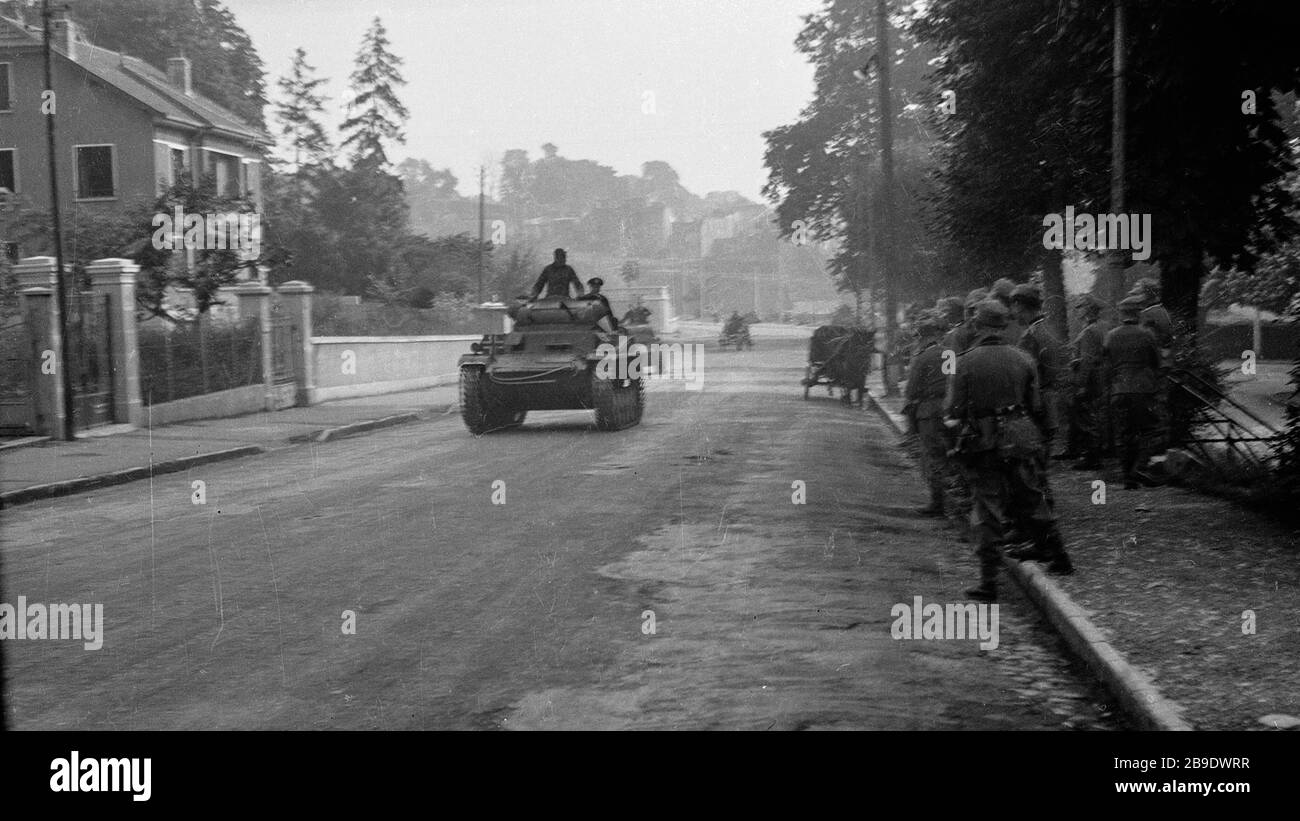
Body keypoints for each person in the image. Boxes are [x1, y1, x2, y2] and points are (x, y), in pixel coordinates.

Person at [945, 300, 1074, 601]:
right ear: (1004, 326)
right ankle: (1060, 556)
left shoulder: (965, 361)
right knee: (1033, 498)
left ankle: (989, 582)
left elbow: (954, 409)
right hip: (1020, 436)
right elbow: (1037, 405)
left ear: (977, 325)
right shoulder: (1024, 358)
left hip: (983, 441)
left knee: (988, 510)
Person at [1104, 295, 1162, 489]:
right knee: (1151, 429)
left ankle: (1128, 478)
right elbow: (1156, 362)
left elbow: (1107, 365)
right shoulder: (1147, 334)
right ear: (1138, 313)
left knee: (1123, 433)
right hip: (1142, 389)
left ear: (1121, 314)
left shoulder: (1111, 335)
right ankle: (1140, 467)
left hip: (1118, 389)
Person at [1010, 283, 1065, 465]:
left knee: (1034, 452)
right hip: (1049, 397)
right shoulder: (1048, 330)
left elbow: (1023, 374)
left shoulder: (1030, 337)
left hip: (1035, 400)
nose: (1013, 312)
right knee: (1043, 448)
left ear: (1019, 305)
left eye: (1014, 306)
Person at [903, 312, 950, 517]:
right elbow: (952, 380)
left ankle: (937, 502)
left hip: (929, 410)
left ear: (922, 337)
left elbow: (911, 390)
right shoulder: (949, 353)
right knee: (949, 453)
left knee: (932, 454)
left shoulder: (922, 357)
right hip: (949, 407)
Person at [1059, 294, 1107, 469]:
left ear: (1088, 309)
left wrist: (1080, 384)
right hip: (1092, 378)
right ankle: (1090, 454)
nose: (1076, 309)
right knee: (1087, 415)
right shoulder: (1093, 329)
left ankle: (1092, 458)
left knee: (1086, 417)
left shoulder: (1089, 331)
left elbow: (1087, 360)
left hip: (1087, 380)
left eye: (1079, 306)